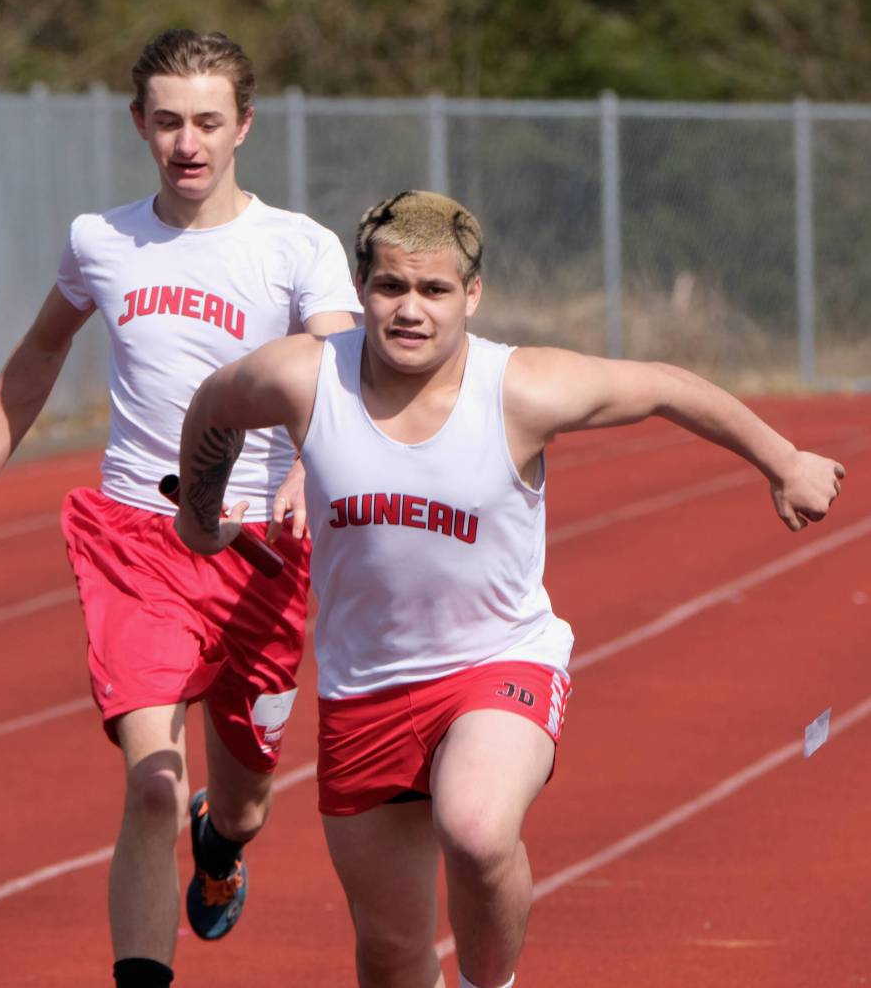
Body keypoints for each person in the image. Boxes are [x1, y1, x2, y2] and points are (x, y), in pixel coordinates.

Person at [172, 189, 845, 988]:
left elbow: (664, 384)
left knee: (478, 828)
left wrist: (784, 461)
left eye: (434, 291)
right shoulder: (305, 378)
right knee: (390, 954)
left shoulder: (520, 389)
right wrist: (200, 518)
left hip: (497, 663)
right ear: (361, 287)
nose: (410, 311)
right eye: (392, 287)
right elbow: (215, 405)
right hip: (366, 689)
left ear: (472, 294)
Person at [0, 30, 361, 988]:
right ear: (139, 125)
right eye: (167, 121)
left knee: (242, 798)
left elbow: (344, 372)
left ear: (244, 125)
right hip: (137, 538)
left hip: (261, 551)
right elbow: (41, 352)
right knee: (152, 781)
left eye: (208, 120)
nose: (188, 142)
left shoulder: (299, 247)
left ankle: (222, 842)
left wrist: (309, 467)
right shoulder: (101, 239)